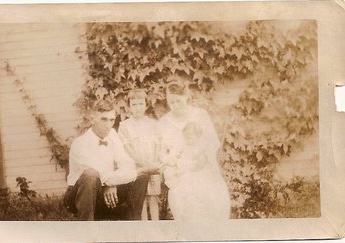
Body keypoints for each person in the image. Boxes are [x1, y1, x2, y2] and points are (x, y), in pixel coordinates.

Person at [63, 100, 157, 220]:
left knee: (141, 175)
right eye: (104, 119)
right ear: (93, 119)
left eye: (112, 120)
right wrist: (110, 181)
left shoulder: (112, 134)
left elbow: (126, 162)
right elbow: (101, 175)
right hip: (79, 196)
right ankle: (86, 229)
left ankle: (133, 224)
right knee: (90, 175)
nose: (108, 125)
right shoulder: (80, 144)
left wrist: (112, 183)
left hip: (107, 187)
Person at [158, 81, 231, 221]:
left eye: (178, 101)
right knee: (183, 192)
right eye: (171, 102)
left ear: (186, 97)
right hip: (176, 169)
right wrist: (169, 162)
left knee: (212, 193)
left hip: (202, 164)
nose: (175, 106)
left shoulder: (199, 115)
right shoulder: (163, 122)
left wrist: (198, 163)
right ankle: (190, 232)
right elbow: (161, 151)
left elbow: (210, 144)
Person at [162, 122, 231, 221]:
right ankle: (186, 218)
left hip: (200, 174)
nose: (187, 140)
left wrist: (182, 170)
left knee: (197, 192)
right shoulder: (187, 147)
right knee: (177, 190)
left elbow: (198, 166)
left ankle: (201, 218)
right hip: (188, 173)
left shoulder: (201, 149)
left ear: (198, 136)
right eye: (186, 138)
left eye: (189, 138)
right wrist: (172, 163)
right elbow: (181, 160)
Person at [118, 89, 161, 220]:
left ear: (146, 105)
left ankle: (155, 225)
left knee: (153, 197)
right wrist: (140, 162)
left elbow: (157, 144)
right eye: (134, 104)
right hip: (137, 166)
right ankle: (144, 225)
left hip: (151, 165)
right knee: (140, 198)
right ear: (128, 107)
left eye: (140, 104)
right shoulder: (125, 126)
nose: (137, 108)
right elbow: (126, 147)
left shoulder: (152, 124)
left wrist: (153, 162)